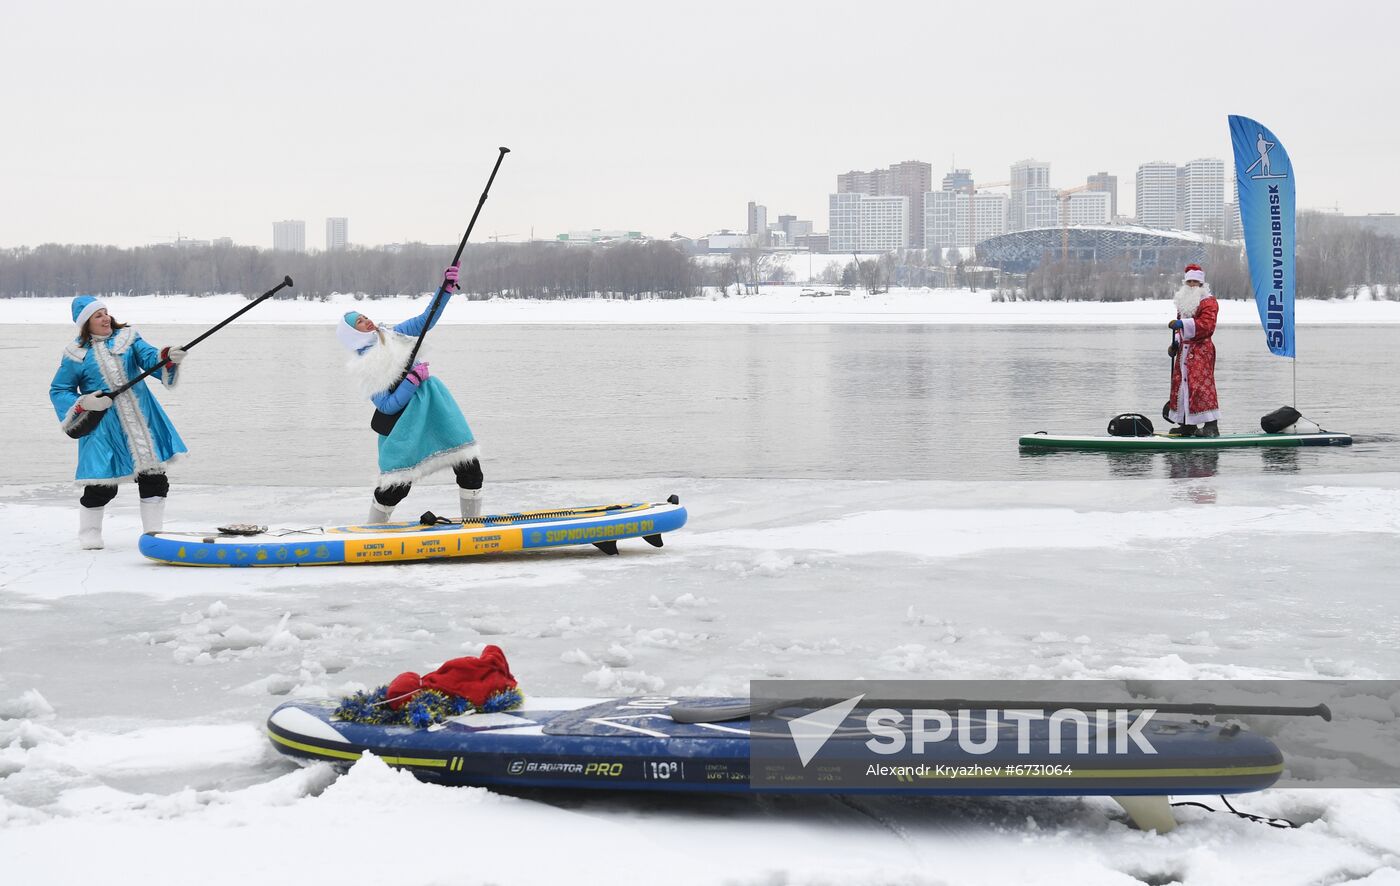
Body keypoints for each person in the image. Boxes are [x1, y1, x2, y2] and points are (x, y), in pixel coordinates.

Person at [339, 264, 482, 523]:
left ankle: (472, 527)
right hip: (405, 424)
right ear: (352, 333)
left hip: (436, 406)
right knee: (396, 486)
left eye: (364, 315)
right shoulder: (366, 366)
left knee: (469, 465)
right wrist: (413, 379)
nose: (366, 320)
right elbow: (387, 406)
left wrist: (445, 290)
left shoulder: (393, 335)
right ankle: (373, 531)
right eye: (359, 322)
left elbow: (426, 319)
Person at [49, 296, 188, 549]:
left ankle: (153, 535)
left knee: (153, 477)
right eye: (97, 315)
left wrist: (167, 357)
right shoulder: (75, 355)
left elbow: (150, 359)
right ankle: (89, 533)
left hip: (141, 421)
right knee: (101, 485)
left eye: (105, 312)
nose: (105, 318)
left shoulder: (129, 338)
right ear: (85, 324)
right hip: (105, 427)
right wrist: (85, 402)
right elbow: (59, 390)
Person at [1166, 263, 1220, 437]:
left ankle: (1211, 426)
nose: (1191, 285)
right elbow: (1178, 329)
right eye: (1189, 282)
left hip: (1201, 350)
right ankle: (1187, 424)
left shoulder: (1209, 302)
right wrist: (1175, 344)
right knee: (1181, 386)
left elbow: (1207, 325)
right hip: (1184, 351)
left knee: (1201, 387)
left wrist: (1183, 324)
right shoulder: (1183, 303)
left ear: (1201, 284)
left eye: (1195, 282)